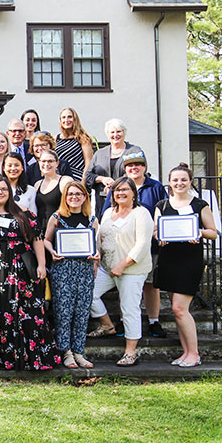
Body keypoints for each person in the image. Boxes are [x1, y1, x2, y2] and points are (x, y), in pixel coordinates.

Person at [0, 176, 60, 370]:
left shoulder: (23, 213)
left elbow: (37, 238)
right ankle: (0, 358)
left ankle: (28, 358)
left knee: (24, 312)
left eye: (4, 189)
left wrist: (41, 264)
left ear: (10, 192)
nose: (0, 193)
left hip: (21, 270)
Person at [155, 164, 217, 368]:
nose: (179, 183)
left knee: (179, 308)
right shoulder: (162, 205)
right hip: (168, 260)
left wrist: (199, 232)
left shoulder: (200, 205)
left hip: (189, 260)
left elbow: (213, 232)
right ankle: (186, 353)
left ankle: (195, 354)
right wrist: (160, 237)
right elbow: (156, 232)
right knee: (178, 311)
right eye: (175, 180)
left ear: (190, 181)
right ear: (170, 183)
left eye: (183, 179)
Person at [101, 151, 168, 337]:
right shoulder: (117, 188)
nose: (134, 168)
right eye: (130, 165)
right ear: (125, 169)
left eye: (138, 164)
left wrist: (160, 231)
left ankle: (154, 321)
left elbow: (164, 211)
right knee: (126, 288)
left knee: (151, 284)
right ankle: (123, 322)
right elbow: (107, 215)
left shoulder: (155, 186)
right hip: (119, 247)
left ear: (144, 167)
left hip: (149, 244)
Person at [88, 177, 153, 366]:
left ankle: (130, 352)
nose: (120, 193)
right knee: (88, 292)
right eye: (117, 190)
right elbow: (100, 238)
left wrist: (122, 265)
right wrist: (96, 254)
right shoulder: (108, 212)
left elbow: (141, 245)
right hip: (107, 267)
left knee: (129, 309)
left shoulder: (141, 214)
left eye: (125, 190)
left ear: (134, 192)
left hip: (131, 270)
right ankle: (107, 325)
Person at [42, 181, 99, 369]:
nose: (74, 197)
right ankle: (66, 352)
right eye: (70, 194)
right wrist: (52, 252)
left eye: (78, 194)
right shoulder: (57, 217)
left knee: (82, 312)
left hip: (84, 270)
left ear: (85, 197)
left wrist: (96, 255)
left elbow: (95, 245)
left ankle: (79, 351)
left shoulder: (92, 219)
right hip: (63, 269)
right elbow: (46, 241)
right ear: (65, 198)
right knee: (63, 312)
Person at [84, 118, 143, 217]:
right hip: (103, 201)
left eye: (119, 131)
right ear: (108, 135)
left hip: (127, 200)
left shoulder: (134, 151)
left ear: (124, 132)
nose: (115, 135)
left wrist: (115, 186)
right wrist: (102, 179)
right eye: (112, 132)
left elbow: (140, 172)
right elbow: (88, 175)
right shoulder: (99, 154)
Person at [33, 149, 72, 224]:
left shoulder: (65, 181)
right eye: (43, 161)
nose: (47, 164)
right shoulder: (37, 184)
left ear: (57, 163)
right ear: (39, 163)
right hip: (41, 230)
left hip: (60, 227)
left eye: (50, 161)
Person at [55, 107, 94, 182]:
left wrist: (83, 182)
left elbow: (88, 163)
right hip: (60, 178)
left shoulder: (83, 138)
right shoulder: (56, 138)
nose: (66, 120)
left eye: (69, 117)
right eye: (63, 117)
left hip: (77, 178)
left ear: (75, 119)